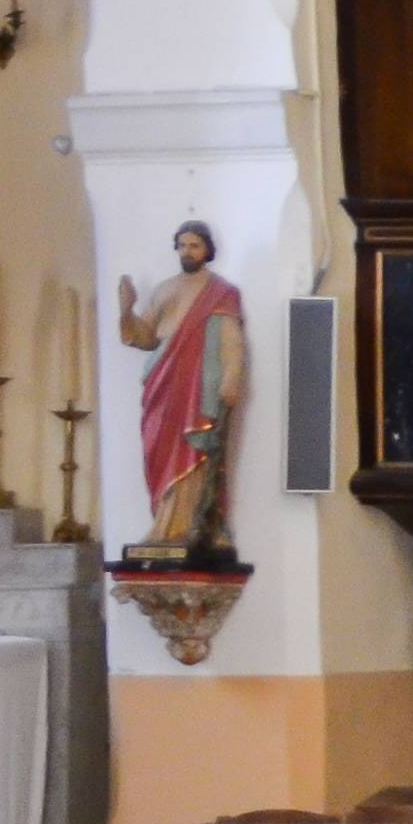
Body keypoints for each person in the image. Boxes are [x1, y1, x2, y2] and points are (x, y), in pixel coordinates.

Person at [117, 220, 248, 565]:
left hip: (201, 383)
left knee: (197, 449)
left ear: (207, 250)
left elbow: (231, 338)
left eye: (194, 245)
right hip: (165, 381)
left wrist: (232, 376)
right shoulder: (164, 290)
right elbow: (145, 338)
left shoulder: (221, 292)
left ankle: (193, 526)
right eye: (182, 245)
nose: (187, 252)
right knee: (160, 446)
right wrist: (126, 309)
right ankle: (164, 526)